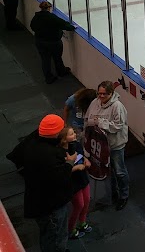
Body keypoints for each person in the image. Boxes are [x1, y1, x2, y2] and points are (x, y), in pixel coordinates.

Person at [22, 114, 76, 252]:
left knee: (47, 235)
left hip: (38, 202)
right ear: (56, 133)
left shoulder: (33, 144)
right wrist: (70, 163)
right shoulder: (49, 154)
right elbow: (60, 177)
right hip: (51, 206)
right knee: (56, 236)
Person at [85, 81, 129, 210]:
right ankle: (113, 193)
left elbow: (118, 126)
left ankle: (124, 196)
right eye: (99, 93)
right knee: (106, 171)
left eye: (104, 94)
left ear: (111, 93)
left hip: (115, 145)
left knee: (119, 171)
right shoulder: (94, 102)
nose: (101, 96)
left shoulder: (117, 107)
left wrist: (100, 122)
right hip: (99, 144)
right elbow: (88, 119)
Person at [58, 126, 92, 240]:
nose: (75, 135)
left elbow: (82, 156)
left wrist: (86, 161)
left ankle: (82, 222)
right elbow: (64, 170)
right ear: (64, 139)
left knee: (86, 201)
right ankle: (71, 228)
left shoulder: (76, 145)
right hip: (73, 183)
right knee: (79, 205)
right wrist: (77, 167)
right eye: (71, 134)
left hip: (83, 179)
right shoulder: (60, 153)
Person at [30, 1, 75, 84]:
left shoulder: (36, 17)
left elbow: (32, 26)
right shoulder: (52, 17)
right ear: (49, 8)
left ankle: (48, 77)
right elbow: (64, 25)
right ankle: (61, 71)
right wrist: (72, 27)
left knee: (45, 60)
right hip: (53, 42)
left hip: (40, 41)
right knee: (57, 57)